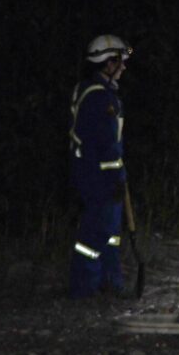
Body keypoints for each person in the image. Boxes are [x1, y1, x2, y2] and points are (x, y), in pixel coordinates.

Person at [68, 35, 132, 299]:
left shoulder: (97, 92)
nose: (124, 68)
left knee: (110, 234)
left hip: (101, 175)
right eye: (120, 62)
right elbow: (105, 144)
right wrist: (115, 176)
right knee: (95, 234)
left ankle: (110, 282)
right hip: (98, 177)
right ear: (108, 63)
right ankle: (85, 288)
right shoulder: (98, 98)